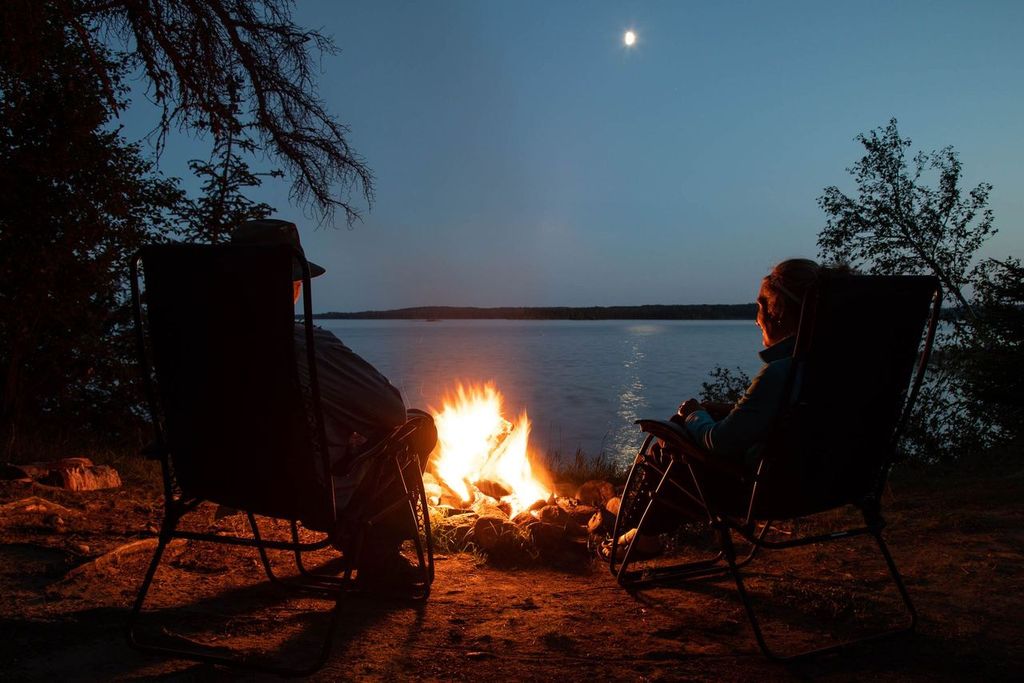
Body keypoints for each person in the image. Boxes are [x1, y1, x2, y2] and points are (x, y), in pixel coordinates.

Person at [230, 219, 436, 581]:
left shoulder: (206, 346)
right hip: (309, 489)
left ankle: (359, 538)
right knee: (417, 425)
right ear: (293, 287)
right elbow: (391, 412)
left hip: (233, 479)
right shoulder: (306, 347)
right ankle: (375, 548)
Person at [610, 258, 823, 558]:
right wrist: (727, 411)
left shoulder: (780, 374)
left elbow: (720, 442)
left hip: (763, 492)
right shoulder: (835, 371)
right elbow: (779, 418)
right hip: (826, 483)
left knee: (670, 440)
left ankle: (641, 533)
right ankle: (644, 531)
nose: (756, 319)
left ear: (778, 313)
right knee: (681, 437)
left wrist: (694, 415)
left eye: (760, 306)